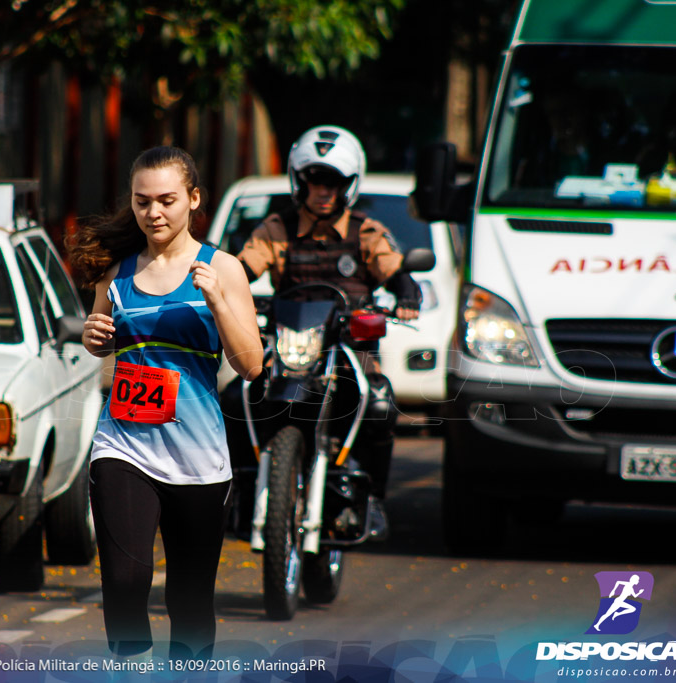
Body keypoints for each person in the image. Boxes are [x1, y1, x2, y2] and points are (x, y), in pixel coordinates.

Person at [68, 146, 263, 661]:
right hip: (124, 446)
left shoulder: (223, 268)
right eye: (142, 201)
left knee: (189, 600)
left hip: (198, 458)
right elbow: (101, 341)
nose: (153, 212)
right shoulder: (118, 272)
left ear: (193, 200)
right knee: (126, 586)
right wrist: (94, 335)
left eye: (167, 200)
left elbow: (252, 364)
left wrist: (218, 300)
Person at [235, 124, 422, 509]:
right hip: (290, 347)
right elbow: (242, 270)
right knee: (235, 399)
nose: (323, 191)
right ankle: (234, 494)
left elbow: (397, 272)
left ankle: (372, 499)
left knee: (380, 403)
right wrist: (224, 288)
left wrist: (406, 294)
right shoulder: (276, 229)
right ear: (299, 181)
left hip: (351, 350)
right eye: (315, 180)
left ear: (348, 185)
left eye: (333, 182)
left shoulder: (366, 232)